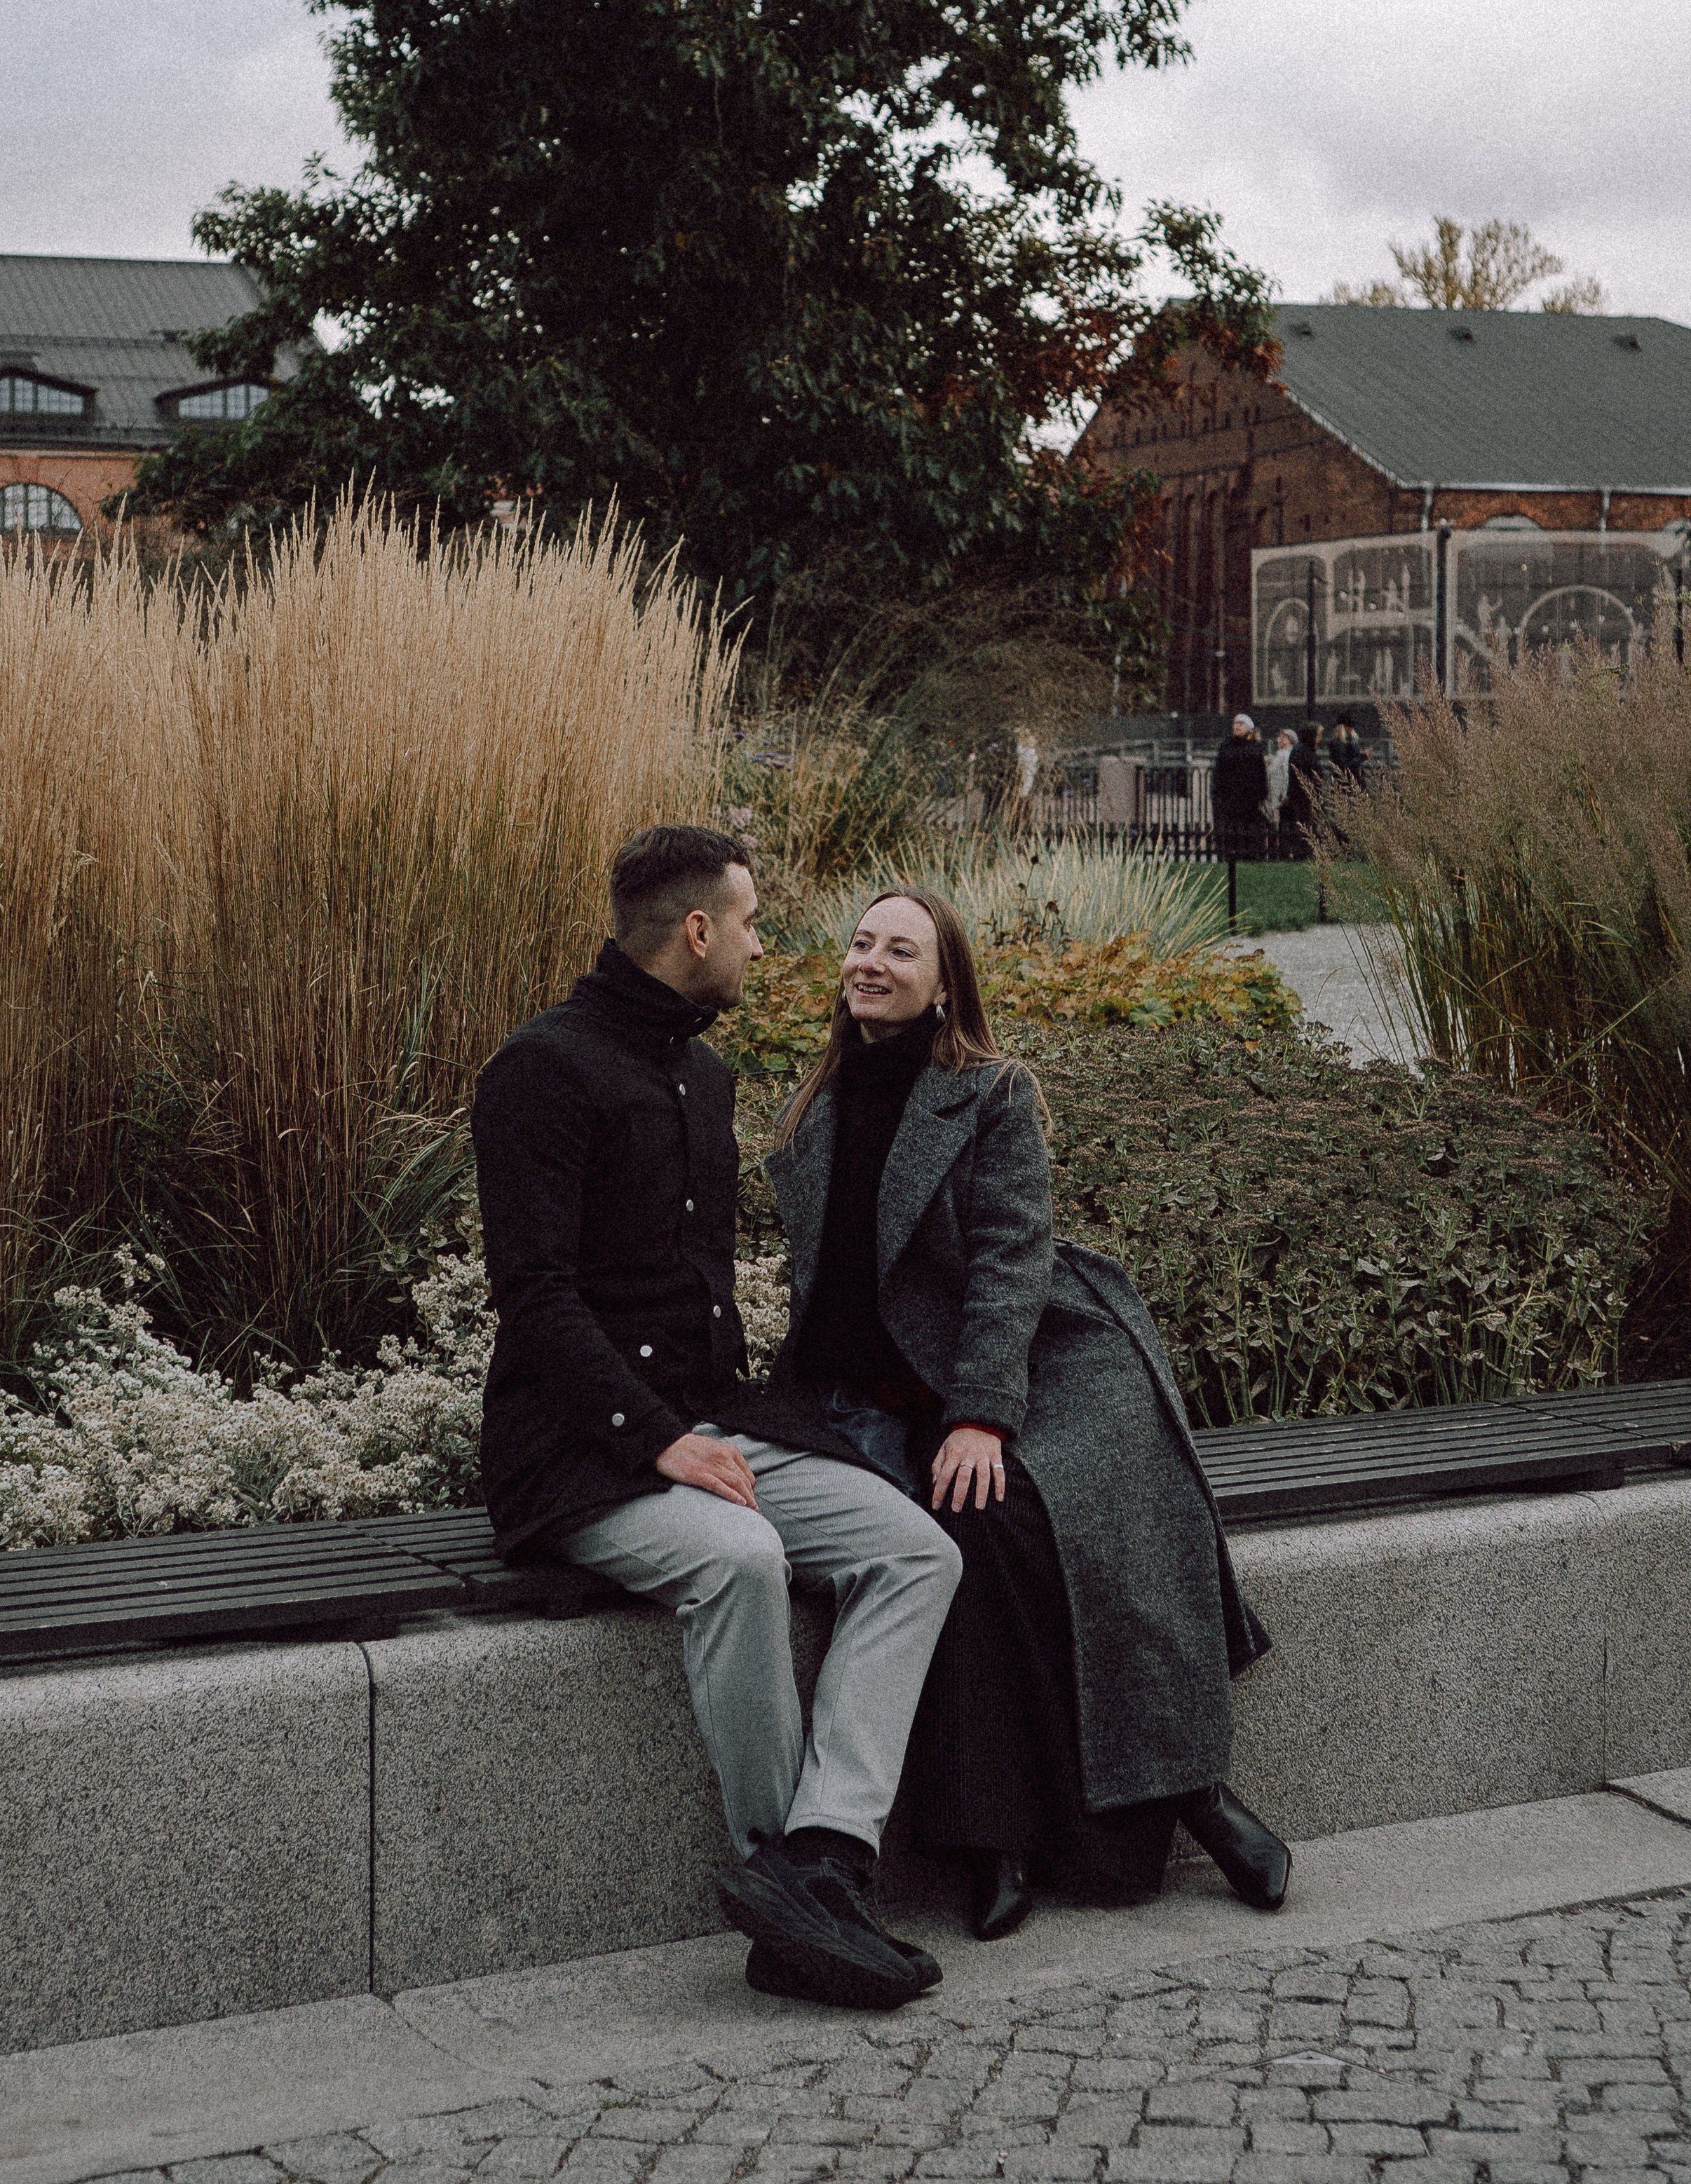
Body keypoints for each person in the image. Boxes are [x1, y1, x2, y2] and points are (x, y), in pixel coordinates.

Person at [473, 826, 963, 2014]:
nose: (759, 942)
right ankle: (781, 1878)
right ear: (697, 931)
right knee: (743, 1561)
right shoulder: (539, 1070)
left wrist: (717, 1428)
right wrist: (656, 1439)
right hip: (576, 1453)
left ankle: (820, 1864)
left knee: (916, 1550)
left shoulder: (705, 1076)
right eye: (747, 922)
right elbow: (534, 1297)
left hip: (712, 1425)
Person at [759, 887, 1291, 1943]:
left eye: (899, 951)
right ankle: (1001, 1841)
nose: (870, 963)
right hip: (877, 1396)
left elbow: (1010, 1262)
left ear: (943, 984)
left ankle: (1183, 1796)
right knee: (959, 1539)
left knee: (1027, 1518)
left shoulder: (991, 1091)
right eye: (861, 944)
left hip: (1040, 1361)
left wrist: (982, 1417)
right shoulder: (814, 1101)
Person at [1211, 713, 1269, 855]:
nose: (1237, 727)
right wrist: (1218, 791)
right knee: (1231, 827)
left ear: (1248, 728)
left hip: (1249, 796)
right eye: (1235, 724)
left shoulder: (1255, 747)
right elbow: (1219, 771)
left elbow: (1260, 772)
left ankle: (1248, 852)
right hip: (1230, 795)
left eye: (1240, 724)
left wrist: (1261, 793)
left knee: (1248, 825)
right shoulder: (1226, 746)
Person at [1280, 720, 1328, 858]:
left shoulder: (1304, 751)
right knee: (1306, 826)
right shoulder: (1303, 752)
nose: (1320, 738)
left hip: (1303, 796)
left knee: (1308, 825)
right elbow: (1302, 776)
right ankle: (1304, 853)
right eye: (1318, 735)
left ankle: (1306, 852)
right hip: (1303, 797)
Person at [1328, 709, 1369, 790]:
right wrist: (1361, 757)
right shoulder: (1340, 743)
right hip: (1346, 782)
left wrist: (1360, 755)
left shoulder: (1345, 741)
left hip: (1350, 781)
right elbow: (1343, 766)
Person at [1265, 728, 1296, 829]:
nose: (1279, 740)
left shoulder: (1286, 755)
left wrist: (1285, 794)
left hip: (1281, 799)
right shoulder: (1281, 754)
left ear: (1289, 740)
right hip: (1277, 797)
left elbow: (1287, 775)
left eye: (1282, 737)